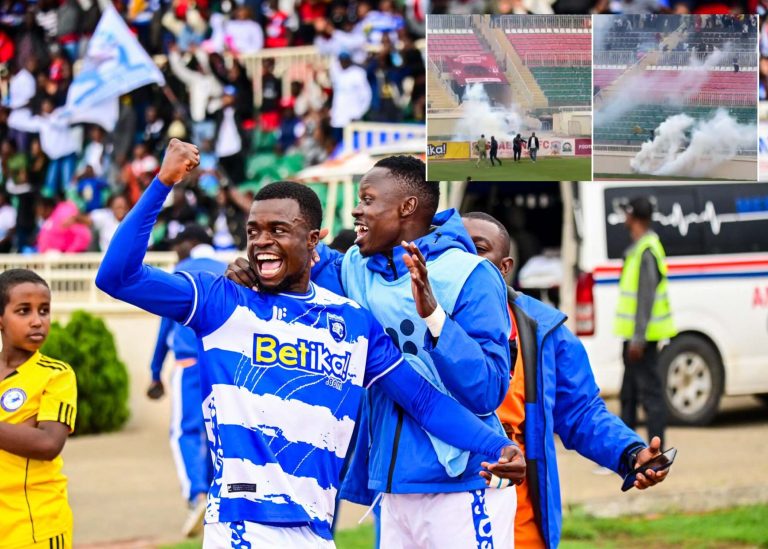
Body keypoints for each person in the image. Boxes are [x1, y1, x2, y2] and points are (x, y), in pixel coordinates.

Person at [95, 139, 524, 547]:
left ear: (313, 240)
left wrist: (497, 446)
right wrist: (163, 184)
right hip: (243, 528)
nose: (262, 241)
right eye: (253, 231)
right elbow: (117, 277)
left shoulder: (354, 323)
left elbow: (425, 402)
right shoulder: (221, 301)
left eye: (278, 229)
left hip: (317, 530)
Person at [227, 156, 520, 546]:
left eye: (367, 199)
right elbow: (290, 267)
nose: (355, 209)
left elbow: (486, 390)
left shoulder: (472, 274)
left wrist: (435, 318)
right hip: (391, 487)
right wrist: (247, 271)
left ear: (407, 207)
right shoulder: (354, 269)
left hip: (464, 485)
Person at [461, 211, 670, 549]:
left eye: (478, 249)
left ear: (504, 267)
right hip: (438, 522)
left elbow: (582, 413)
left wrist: (630, 452)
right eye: (453, 248)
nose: (464, 259)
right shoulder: (414, 325)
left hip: (520, 529)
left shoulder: (544, 332)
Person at [147, 223, 225, 538]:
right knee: (217, 429)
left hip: (189, 363)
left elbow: (166, 327)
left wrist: (155, 372)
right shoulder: (229, 269)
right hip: (223, 365)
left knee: (186, 431)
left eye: (178, 244)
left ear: (190, 243)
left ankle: (197, 495)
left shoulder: (181, 271)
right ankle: (217, 495)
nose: (175, 250)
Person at [0, 269, 77, 547]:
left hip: (36, 529)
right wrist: (19, 432)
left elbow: (47, 444)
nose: (37, 321)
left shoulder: (55, 375)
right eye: (23, 311)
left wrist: (28, 436)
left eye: (44, 311)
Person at [616, 197, 676, 448]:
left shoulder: (646, 251)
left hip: (643, 340)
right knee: (628, 395)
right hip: (635, 338)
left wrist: (638, 339)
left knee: (650, 397)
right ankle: (624, 452)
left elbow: (645, 299)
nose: (624, 219)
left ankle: (657, 452)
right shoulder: (640, 248)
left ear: (634, 217)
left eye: (627, 214)